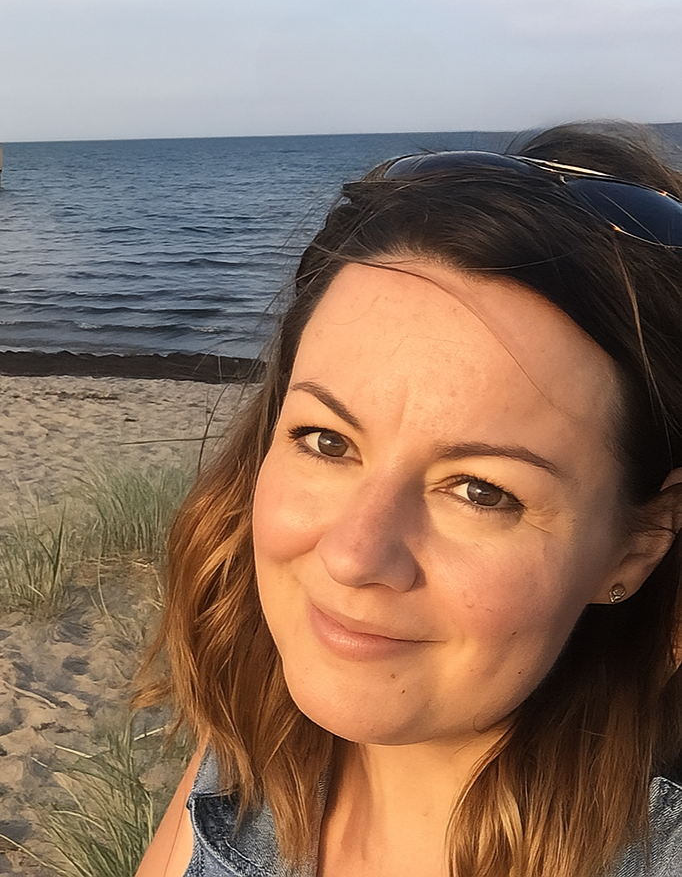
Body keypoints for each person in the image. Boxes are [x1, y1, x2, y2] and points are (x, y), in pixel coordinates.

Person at [135, 122, 682, 877]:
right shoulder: (251, 747)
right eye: (327, 441)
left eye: (481, 490)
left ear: (637, 542)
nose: (354, 555)